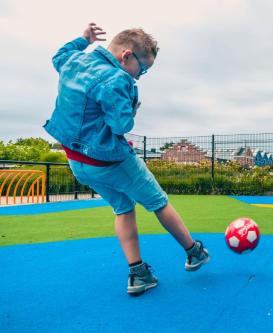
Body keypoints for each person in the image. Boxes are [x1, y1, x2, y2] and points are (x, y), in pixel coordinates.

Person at [43, 23, 210, 296]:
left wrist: (83, 39)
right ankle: (194, 252)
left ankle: (138, 273)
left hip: (78, 162)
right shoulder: (117, 80)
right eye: (142, 70)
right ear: (127, 56)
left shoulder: (75, 60)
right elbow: (120, 125)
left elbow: (58, 56)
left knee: (122, 208)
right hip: (109, 159)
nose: (140, 76)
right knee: (158, 201)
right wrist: (132, 103)